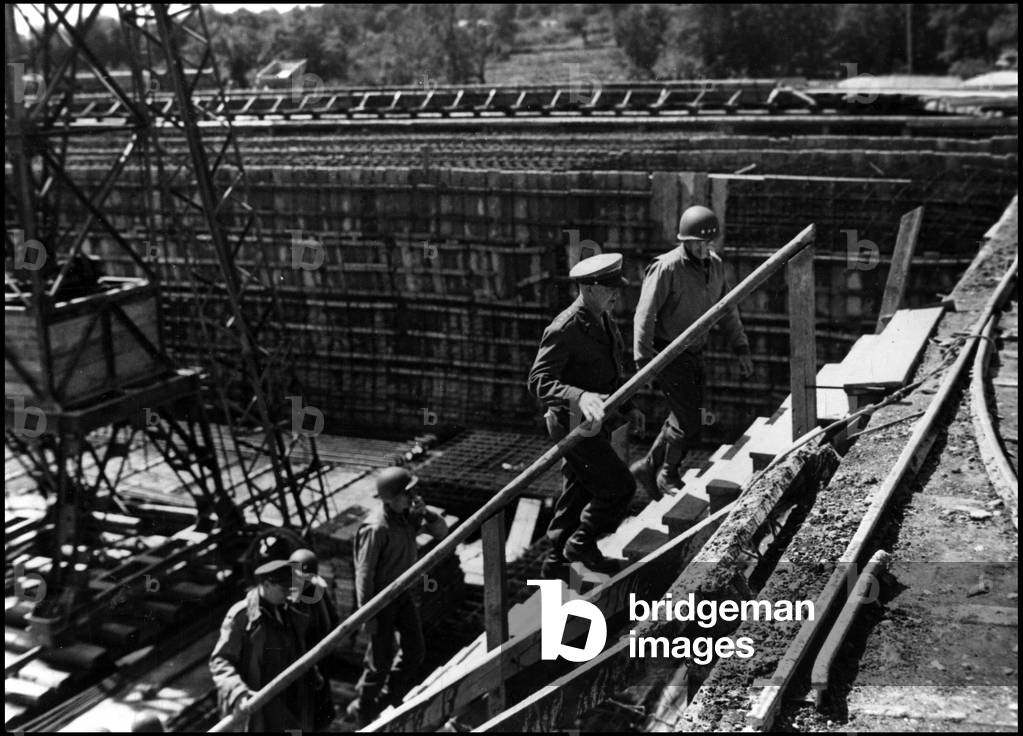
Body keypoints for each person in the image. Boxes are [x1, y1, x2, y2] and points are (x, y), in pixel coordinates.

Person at [527, 252, 637, 580]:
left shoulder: (603, 317)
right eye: (608, 288)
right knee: (619, 487)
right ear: (588, 289)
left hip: (593, 422)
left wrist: (629, 408)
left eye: (617, 287)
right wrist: (580, 396)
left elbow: (610, 370)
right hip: (571, 423)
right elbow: (538, 380)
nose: (616, 294)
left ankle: (557, 562)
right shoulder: (565, 327)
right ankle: (582, 543)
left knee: (577, 492)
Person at [632, 205, 754, 499]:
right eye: (698, 242)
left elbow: (727, 309)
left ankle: (647, 467)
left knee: (686, 415)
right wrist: (643, 360)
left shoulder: (716, 265)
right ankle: (667, 474)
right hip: (668, 353)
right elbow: (644, 315)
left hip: (694, 352)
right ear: (685, 241)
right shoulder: (666, 268)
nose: (704, 248)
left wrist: (741, 347)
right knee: (688, 419)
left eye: (709, 242)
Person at [346, 467, 448, 727]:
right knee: (379, 663)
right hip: (379, 603)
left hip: (402, 596)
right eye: (406, 493)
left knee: (415, 651)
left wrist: (425, 511)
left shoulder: (407, 518)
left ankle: (389, 697)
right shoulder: (375, 528)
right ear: (389, 499)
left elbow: (441, 533)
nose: (411, 497)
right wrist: (367, 615)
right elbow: (364, 575)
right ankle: (364, 711)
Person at [209, 559, 318, 732]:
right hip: (256, 706)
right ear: (266, 584)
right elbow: (220, 661)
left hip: (287, 704)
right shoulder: (242, 617)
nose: (288, 594)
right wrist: (238, 693)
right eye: (283, 589)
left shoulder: (286, 611)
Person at [289, 547, 339, 729]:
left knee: (319, 702)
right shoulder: (293, 599)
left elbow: (331, 618)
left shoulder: (316, 591)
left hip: (320, 655)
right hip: (306, 661)